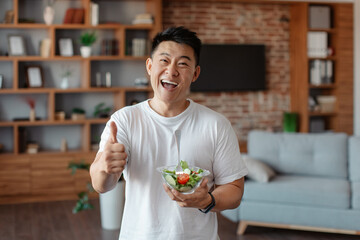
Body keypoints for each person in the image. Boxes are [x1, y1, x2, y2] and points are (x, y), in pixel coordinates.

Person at [90, 26, 248, 240]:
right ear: (149, 66)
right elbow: (101, 185)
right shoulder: (125, 120)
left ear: (195, 73)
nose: (172, 71)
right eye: (164, 60)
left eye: (183, 63)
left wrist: (207, 200)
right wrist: (105, 168)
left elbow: (235, 189)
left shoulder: (216, 124)